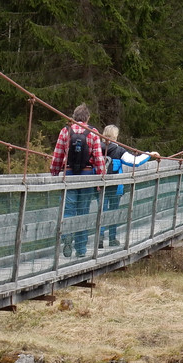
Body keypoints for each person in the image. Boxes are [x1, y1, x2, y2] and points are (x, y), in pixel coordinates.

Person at [49, 104, 105, 258]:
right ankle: (80, 249)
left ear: (73, 117)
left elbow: (58, 155)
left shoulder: (65, 131)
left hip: (69, 175)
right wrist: (100, 179)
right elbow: (99, 158)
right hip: (87, 176)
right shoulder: (93, 133)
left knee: (68, 210)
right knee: (83, 211)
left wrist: (54, 173)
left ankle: (67, 237)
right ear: (87, 118)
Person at [99, 124, 157, 248]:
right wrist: (149, 154)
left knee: (101, 212)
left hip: (100, 186)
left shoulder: (97, 148)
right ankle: (112, 239)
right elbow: (135, 162)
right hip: (116, 187)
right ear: (116, 136)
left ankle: (99, 238)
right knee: (113, 212)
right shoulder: (119, 150)